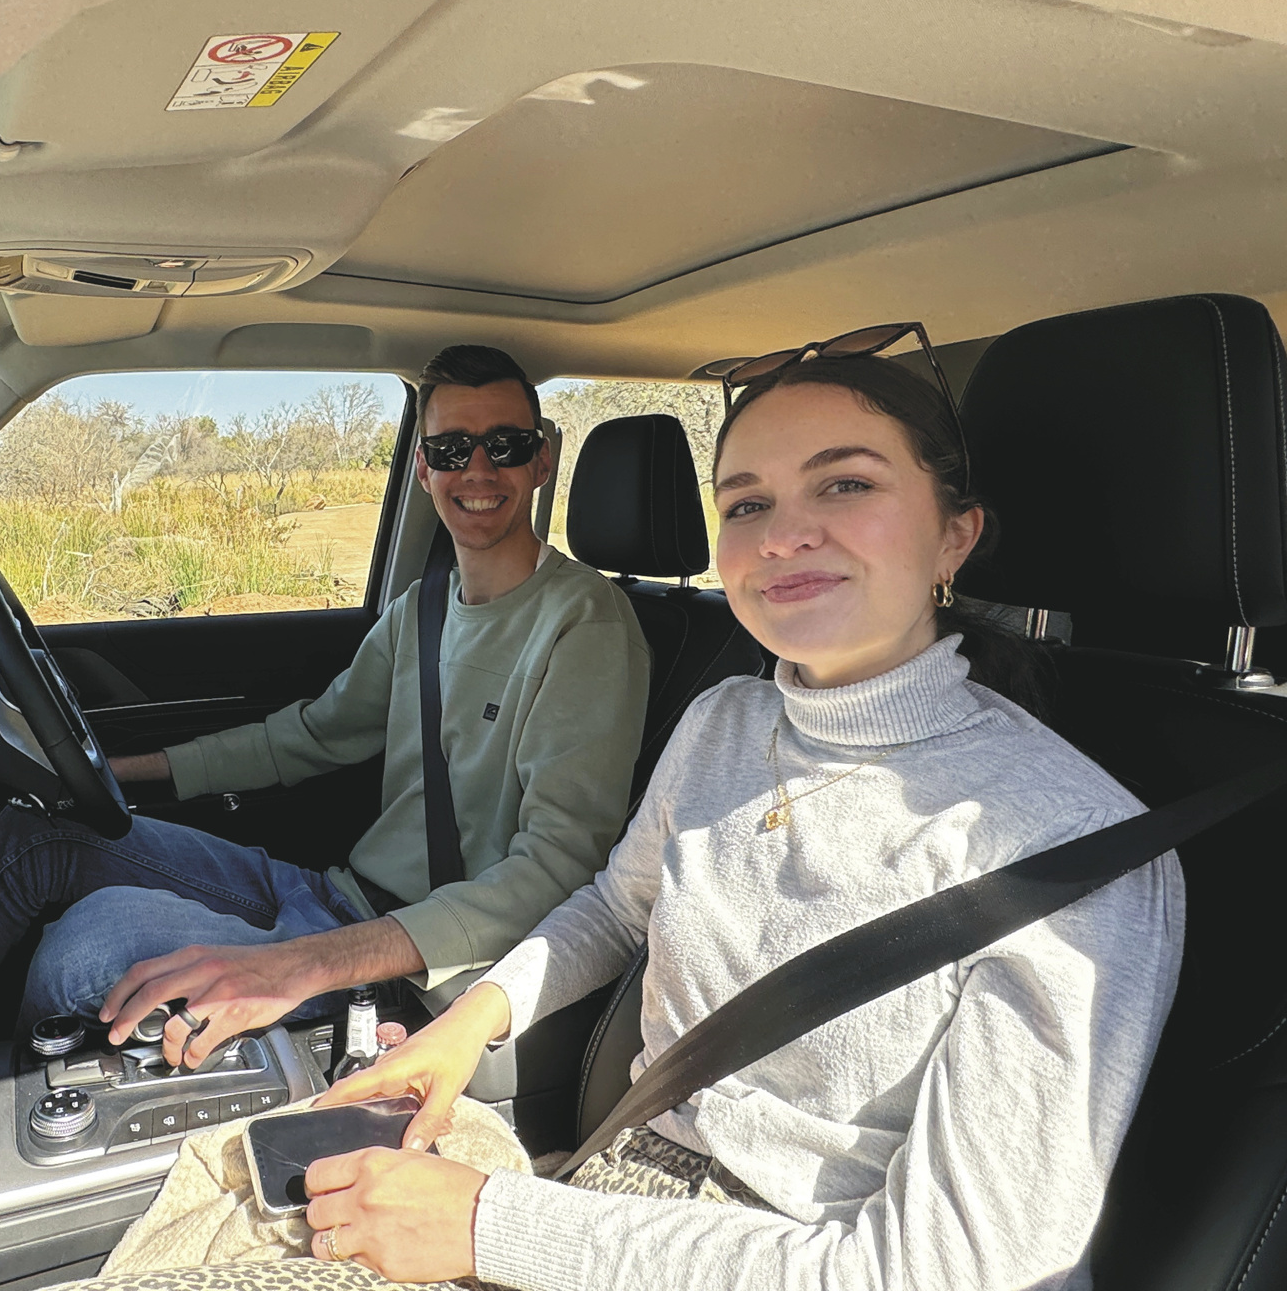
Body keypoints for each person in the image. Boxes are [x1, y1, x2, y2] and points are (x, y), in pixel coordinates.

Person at [87, 347, 1185, 1290]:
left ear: (955, 536)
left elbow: (951, 1270)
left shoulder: (1070, 855)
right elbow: (616, 906)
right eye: (747, 504)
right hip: (608, 1190)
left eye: (845, 486)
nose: (783, 536)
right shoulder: (726, 720)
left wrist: (490, 1225)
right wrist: (468, 1026)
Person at [0, 345, 651, 1060]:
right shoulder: (422, 608)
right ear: (423, 468)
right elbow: (309, 737)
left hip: (418, 962)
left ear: (542, 459)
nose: (478, 469)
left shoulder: (585, 624)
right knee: (36, 836)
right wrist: (119, 770)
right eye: (452, 449)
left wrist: (307, 963)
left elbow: (558, 869)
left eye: (505, 445)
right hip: (335, 895)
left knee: (81, 957)